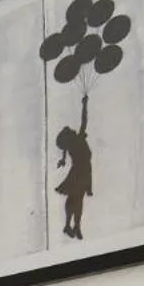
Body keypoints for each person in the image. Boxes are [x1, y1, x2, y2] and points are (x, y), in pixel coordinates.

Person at [54, 94, 92, 240]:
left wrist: (63, 160)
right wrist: (84, 105)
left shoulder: (72, 143)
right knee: (76, 199)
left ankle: (73, 226)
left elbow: (64, 149)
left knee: (76, 199)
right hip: (80, 172)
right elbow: (84, 120)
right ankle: (72, 226)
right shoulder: (78, 139)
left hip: (83, 171)